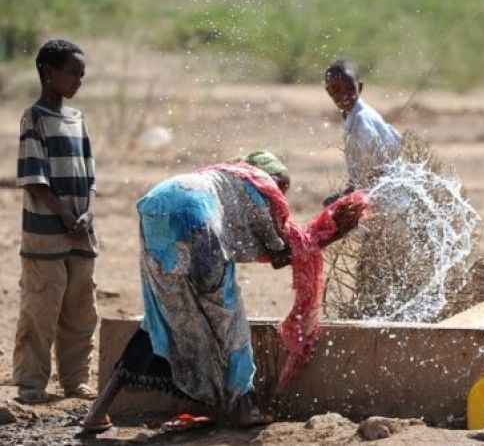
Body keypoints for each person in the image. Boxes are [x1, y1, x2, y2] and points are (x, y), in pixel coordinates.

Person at [81, 151, 366, 432]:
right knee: (228, 318)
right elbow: (281, 252)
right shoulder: (261, 186)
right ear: (273, 178)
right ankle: (245, 408)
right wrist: (330, 233)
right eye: (283, 189)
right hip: (197, 222)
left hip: (157, 207)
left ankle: (97, 412)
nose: (282, 200)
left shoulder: (220, 177)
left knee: (160, 316)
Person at [13, 39, 98, 404]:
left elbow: (89, 177)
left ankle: (75, 380)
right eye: (72, 73)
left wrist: (86, 213)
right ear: (48, 73)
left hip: (80, 233)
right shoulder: (34, 119)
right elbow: (35, 180)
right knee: (41, 309)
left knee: (80, 310)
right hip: (46, 235)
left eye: (82, 74)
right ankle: (31, 383)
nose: (79, 80)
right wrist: (65, 216)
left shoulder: (77, 120)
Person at [323, 59, 402, 205]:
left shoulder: (362, 121)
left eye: (349, 88)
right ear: (329, 92)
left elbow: (378, 170)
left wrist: (350, 195)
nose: (344, 95)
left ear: (359, 87)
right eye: (336, 90)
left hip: (389, 195)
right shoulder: (352, 116)